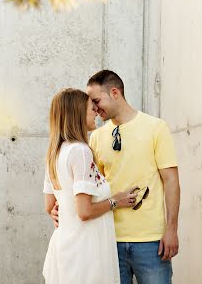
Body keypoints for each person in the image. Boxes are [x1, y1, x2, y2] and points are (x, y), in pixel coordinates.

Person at [87, 70, 180, 284]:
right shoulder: (97, 137)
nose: (93, 107)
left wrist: (172, 229)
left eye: (97, 100)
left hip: (151, 242)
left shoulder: (156, 128)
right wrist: (62, 208)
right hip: (110, 240)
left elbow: (171, 181)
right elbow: (92, 188)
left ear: (115, 92)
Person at [42, 88, 138, 284]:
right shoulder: (80, 152)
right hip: (86, 251)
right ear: (77, 113)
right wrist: (115, 201)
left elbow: (50, 206)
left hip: (66, 247)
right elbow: (84, 211)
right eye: (90, 108)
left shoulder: (55, 153)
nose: (96, 111)